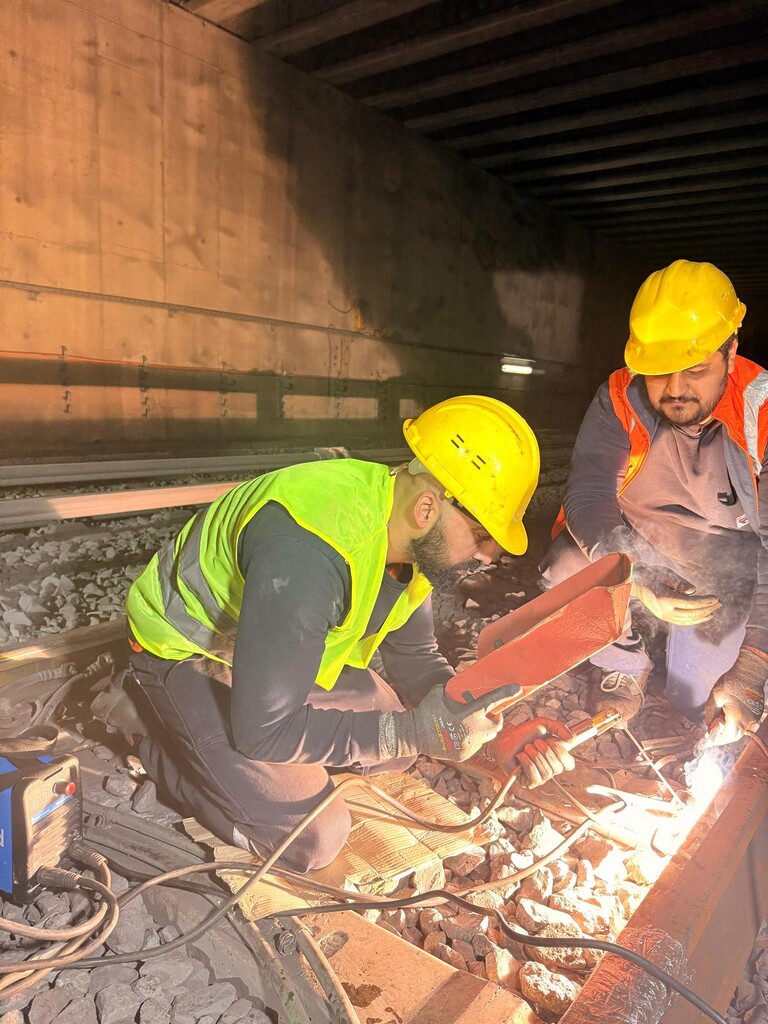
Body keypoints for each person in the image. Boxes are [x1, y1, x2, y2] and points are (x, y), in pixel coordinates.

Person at [108, 396, 575, 873]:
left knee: (395, 741)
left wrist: (492, 732)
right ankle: (161, 746)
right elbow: (263, 732)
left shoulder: (409, 535)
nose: (489, 555)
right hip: (185, 654)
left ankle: (215, 747)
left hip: (268, 655)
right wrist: (413, 732)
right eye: (481, 535)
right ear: (430, 506)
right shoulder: (311, 548)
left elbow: (415, 656)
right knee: (312, 839)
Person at [541, 260, 768, 742]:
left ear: (731, 351)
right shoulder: (620, 396)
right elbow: (588, 492)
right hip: (641, 543)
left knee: (697, 699)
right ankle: (621, 665)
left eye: (696, 369)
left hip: (724, 564)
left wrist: (755, 661)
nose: (677, 390)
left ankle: (693, 668)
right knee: (565, 571)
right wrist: (636, 571)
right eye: (659, 373)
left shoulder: (762, 409)